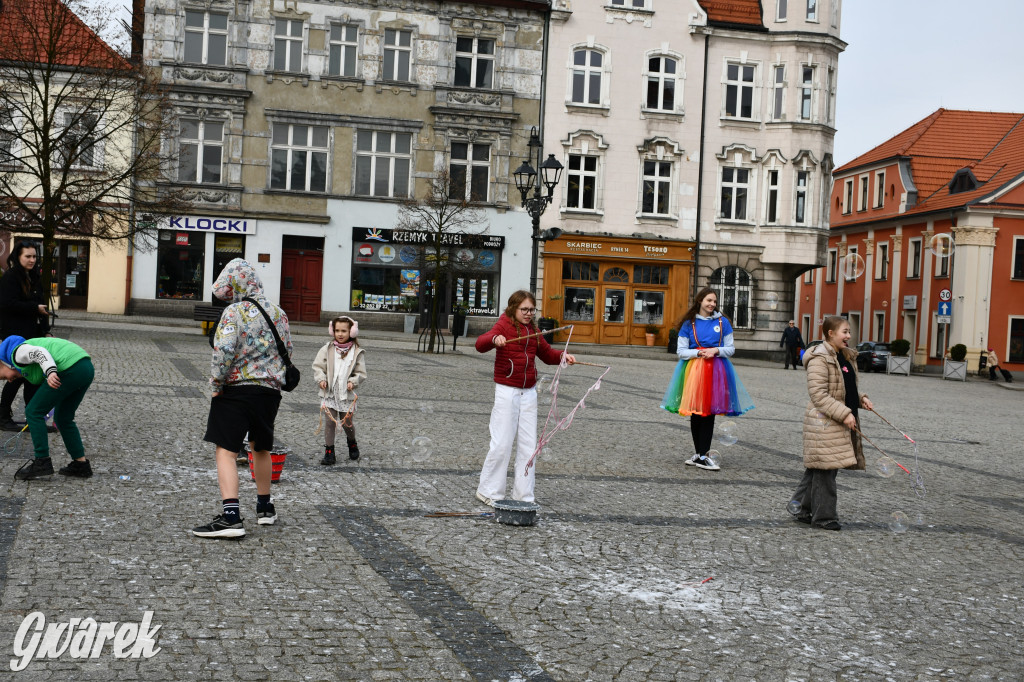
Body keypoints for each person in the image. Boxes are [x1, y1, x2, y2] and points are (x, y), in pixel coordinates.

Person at [192, 259, 292, 539]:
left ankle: (231, 517)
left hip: (236, 389)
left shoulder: (234, 311)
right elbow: (289, 351)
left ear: (234, 285)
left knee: (226, 449)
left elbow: (223, 350)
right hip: (269, 392)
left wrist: (215, 383)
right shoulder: (279, 313)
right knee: (260, 448)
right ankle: (264, 508)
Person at [474, 290, 575, 506]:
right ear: (513, 308)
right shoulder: (503, 325)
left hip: (529, 393)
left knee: (529, 446)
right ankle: (489, 491)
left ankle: (524, 495)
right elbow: (480, 344)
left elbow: (547, 354)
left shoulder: (533, 330)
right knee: (502, 443)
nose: (528, 313)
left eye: (531, 310)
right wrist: (494, 339)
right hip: (507, 391)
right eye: (524, 310)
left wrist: (563, 356)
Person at [790, 315, 874, 531]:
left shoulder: (843, 356)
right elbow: (819, 394)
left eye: (848, 332)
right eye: (845, 331)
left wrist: (860, 398)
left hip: (837, 418)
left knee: (820, 468)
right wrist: (845, 412)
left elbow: (844, 386)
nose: (849, 336)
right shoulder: (820, 358)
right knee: (825, 470)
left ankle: (800, 507)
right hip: (824, 421)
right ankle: (824, 517)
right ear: (830, 333)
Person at [661, 287, 754, 471]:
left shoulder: (723, 322)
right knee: (696, 412)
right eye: (708, 300)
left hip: (717, 370)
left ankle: (703, 454)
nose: (712, 304)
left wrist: (715, 350)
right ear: (700, 301)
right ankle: (699, 454)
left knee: (709, 412)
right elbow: (681, 351)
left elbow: (730, 348)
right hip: (694, 371)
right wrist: (699, 352)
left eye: (714, 301)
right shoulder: (689, 324)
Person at [0, 335, 95, 480]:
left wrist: (50, 372)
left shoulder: (17, 353)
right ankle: (80, 464)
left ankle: (42, 461)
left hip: (69, 368)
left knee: (33, 412)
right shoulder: (24, 364)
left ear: (2, 364)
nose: (8, 380)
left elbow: (39, 353)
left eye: (2, 377)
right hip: (85, 368)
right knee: (64, 418)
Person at [0, 242, 54, 432]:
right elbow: (7, 304)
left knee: (33, 377)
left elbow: (41, 307)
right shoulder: (11, 277)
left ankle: (33, 419)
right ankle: (3, 416)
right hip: (14, 335)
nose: (32, 260)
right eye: (27, 256)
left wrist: (46, 331)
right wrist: (34, 308)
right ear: (18, 257)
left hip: (33, 335)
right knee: (17, 376)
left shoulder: (35, 277)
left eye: (34, 256)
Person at [312, 316, 366, 464]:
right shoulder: (327, 349)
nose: (340, 334)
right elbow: (318, 367)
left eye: (344, 331)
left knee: (347, 422)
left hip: (346, 394)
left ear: (352, 332)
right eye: (337, 331)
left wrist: (353, 382)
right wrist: (321, 379)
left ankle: (352, 442)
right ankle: (329, 451)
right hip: (329, 392)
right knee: (330, 422)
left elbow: (361, 373)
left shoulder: (356, 352)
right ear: (332, 331)